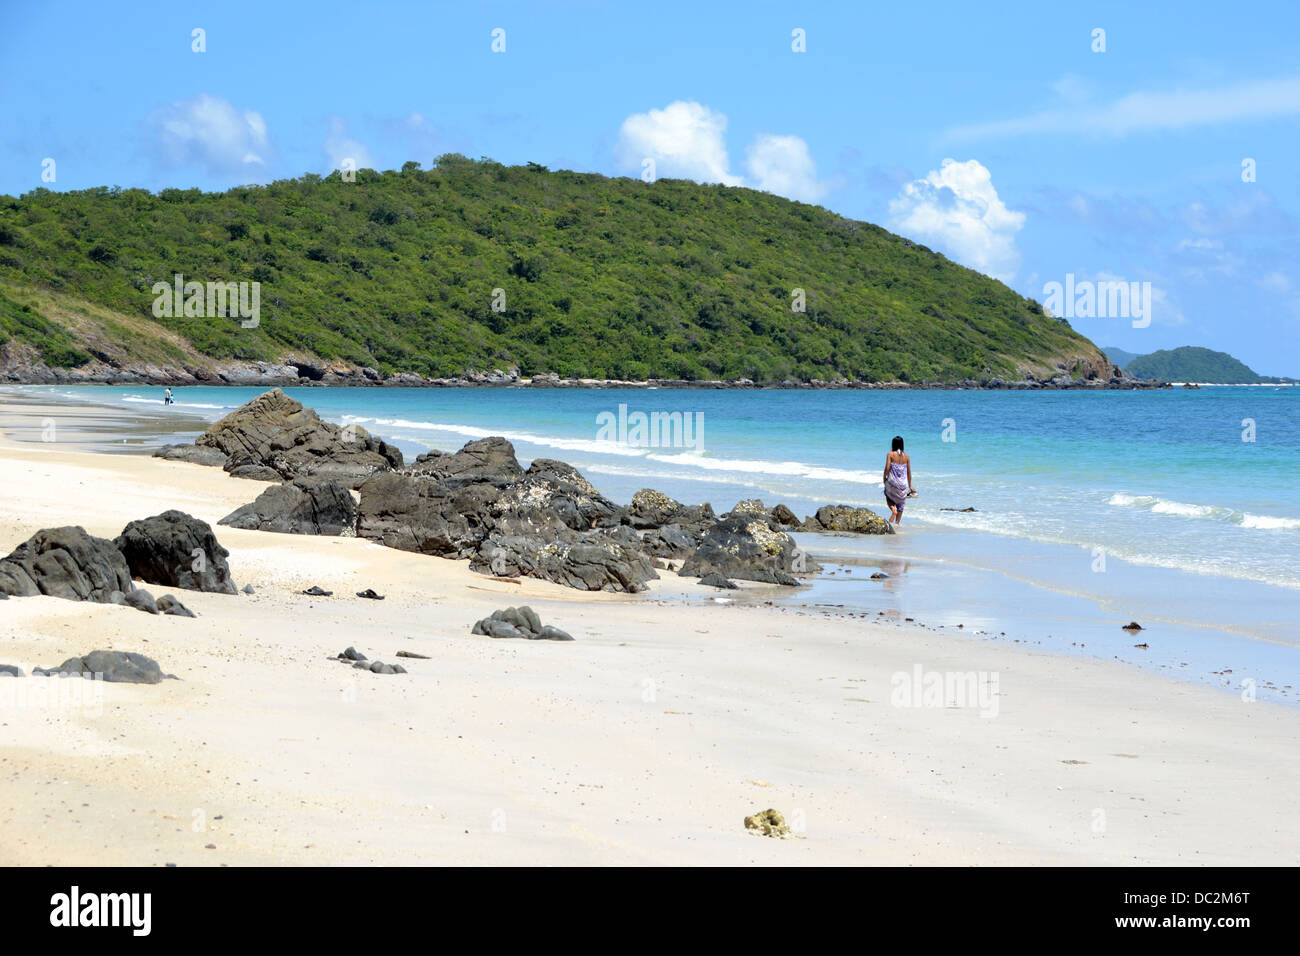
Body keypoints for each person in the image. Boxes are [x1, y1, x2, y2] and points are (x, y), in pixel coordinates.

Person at [882, 435, 915, 525]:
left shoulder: (890, 454)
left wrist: (884, 478)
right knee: (901, 504)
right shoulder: (907, 457)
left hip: (892, 481)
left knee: (888, 496)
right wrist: (910, 486)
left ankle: (893, 510)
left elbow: (887, 468)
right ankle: (897, 524)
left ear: (893, 444)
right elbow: (908, 472)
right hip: (902, 484)